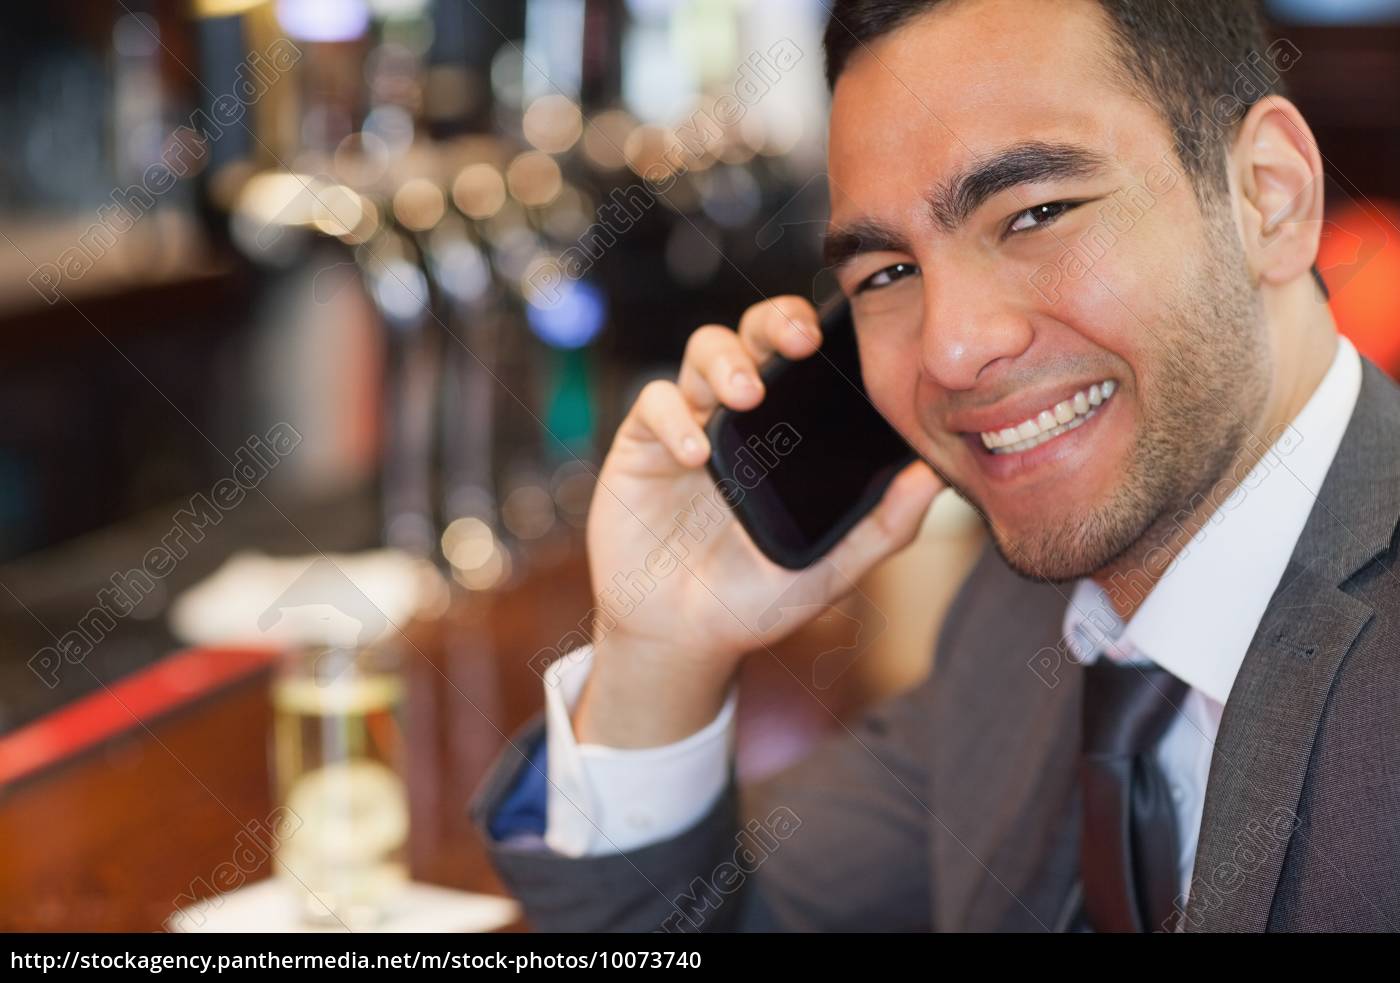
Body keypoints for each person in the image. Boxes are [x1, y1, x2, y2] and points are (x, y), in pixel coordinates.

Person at [472, 0, 1400, 932]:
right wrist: (662, 650)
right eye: (885, 274)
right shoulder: (1020, 626)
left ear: (1269, 195)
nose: (952, 350)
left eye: (1037, 213)